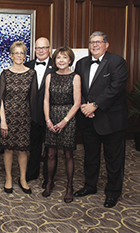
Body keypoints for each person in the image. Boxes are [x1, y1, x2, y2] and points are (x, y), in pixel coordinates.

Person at [74, 31, 128, 208]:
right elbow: (77, 88)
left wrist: (94, 106)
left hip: (111, 120)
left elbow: (116, 88)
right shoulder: (81, 63)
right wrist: (84, 107)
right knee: (90, 156)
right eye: (91, 42)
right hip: (88, 119)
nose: (94, 45)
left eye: (98, 42)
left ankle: (112, 192)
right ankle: (90, 186)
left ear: (106, 44)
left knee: (113, 159)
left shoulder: (117, 62)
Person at [42, 47, 81, 203]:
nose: (61, 60)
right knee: (50, 153)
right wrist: (48, 120)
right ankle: (50, 182)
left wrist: (64, 121)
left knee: (68, 154)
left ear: (70, 60)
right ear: (55, 60)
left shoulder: (75, 77)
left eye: (64, 57)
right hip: (51, 116)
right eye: (58, 58)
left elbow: (77, 103)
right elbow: (46, 100)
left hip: (68, 118)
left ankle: (70, 186)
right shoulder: (50, 77)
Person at [0, 41, 37, 194]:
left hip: (24, 119)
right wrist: (3, 120)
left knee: (22, 150)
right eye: (16, 53)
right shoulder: (5, 73)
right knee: (8, 149)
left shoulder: (31, 74)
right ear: (11, 55)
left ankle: (22, 178)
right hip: (7, 118)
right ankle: (8, 178)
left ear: (25, 55)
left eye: (21, 53)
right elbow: (0, 99)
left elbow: (33, 99)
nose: (19, 56)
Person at [25, 37, 57, 188]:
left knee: (50, 149)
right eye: (38, 48)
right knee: (34, 145)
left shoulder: (57, 65)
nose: (41, 51)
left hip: (51, 114)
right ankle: (32, 173)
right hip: (32, 114)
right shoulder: (27, 66)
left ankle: (48, 178)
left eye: (44, 48)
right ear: (34, 49)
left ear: (49, 49)